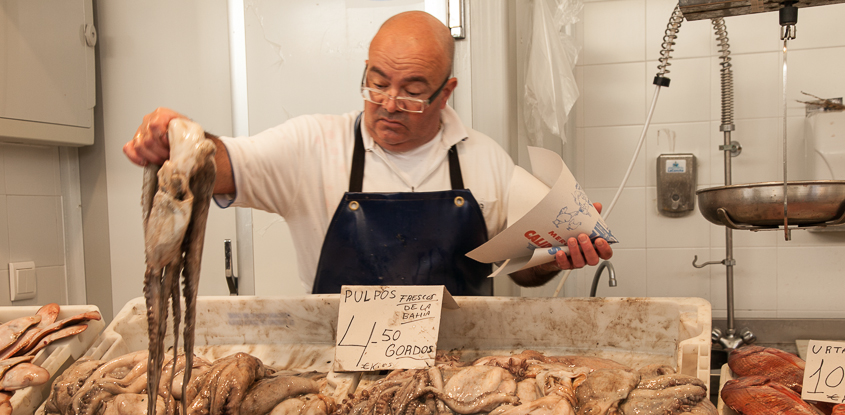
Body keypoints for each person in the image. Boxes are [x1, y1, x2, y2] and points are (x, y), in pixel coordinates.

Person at [124, 11, 612, 295]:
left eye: (413, 91)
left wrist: (558, 256)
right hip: (338, 376)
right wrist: (182, 140)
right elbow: (224, 165)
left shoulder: (486, 161)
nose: (390, 105)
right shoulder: (311, 146)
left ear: (447, 93)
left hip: (460, 373)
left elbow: (525, 266)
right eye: (377, 84)